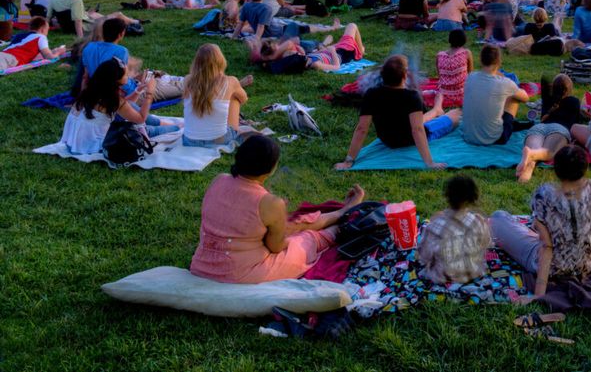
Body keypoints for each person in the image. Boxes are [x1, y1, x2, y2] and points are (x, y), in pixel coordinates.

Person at [192, 135, 366, 283]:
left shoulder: (218, 180)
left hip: (202, 265)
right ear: (271, 169)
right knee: (307, 239)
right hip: (239, 274)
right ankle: (338, 228)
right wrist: (291, 235)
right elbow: (276, 247)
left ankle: (343, 213)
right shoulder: (269, 203)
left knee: (298, 227)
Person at [491, 145, 591, 297]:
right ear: (585, 167)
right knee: (537, 229)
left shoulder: (544, 196)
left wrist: (539, 295)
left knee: (498, 217)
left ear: (556, 170)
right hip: (587, 263)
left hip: (552, 267)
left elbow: (547, 248)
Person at [336, 54, 459, 170]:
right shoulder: (411, 96)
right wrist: (429, 162)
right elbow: (417, 130)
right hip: (409, 140)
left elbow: (362, 129)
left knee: (423, 119)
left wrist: (349, 160)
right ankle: (437, 110)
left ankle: (437, 111)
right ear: (405, 76)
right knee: (456, 114)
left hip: (388, 140)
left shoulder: (372, 94)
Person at [60, 58, 181, 155]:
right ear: (115, 80)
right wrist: (150, 93)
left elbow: (126, 105)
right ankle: (177, 127)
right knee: (146, 130)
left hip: (75, 141)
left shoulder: (93, 90)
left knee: (134, 110)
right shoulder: (114, 100)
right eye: (126, 75)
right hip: (90, 145)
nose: (128, 77)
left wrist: (138, 90)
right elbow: (140, 118)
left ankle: (165, 123)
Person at [417, 175, 491, 284]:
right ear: (473, 198)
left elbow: (424, 255)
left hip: (443, 275)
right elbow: (487, 244)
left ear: (447, 196)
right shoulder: (479, 222)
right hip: (474, 272)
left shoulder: (435, 225)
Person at [515, 74, 583, 183]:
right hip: (560, 129)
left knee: (535, 149)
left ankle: (527, 170)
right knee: (549, 152)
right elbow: (576, 124)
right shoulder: (574, 101)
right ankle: (531, 155)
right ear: (569, 89)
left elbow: (545, 79)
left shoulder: (548, 100)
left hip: (539, 127)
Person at [182, 44, 250, 148]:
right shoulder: (230, 81)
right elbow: (244, 99)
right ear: (221, 60)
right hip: (219, 140)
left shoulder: (187, 80)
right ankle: (234, 128)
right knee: (235, 98)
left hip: (189, 141)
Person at [461, 45, 529, 146]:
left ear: (481, 60)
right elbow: (525, 98)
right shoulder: (505, 83)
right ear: (498, 61)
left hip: (468, 136)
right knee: (513, 98)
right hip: (494, 139)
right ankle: (507, 125)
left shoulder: (470, 77)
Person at [0, 16, 66, 70]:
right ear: (43, 29)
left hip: (4, 55)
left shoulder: (20, 36)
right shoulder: (41, 36)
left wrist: (52, 51)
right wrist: (58, 52)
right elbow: (50, 57)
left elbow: (34, 55)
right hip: (9, 59)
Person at [432, 29, 473, 109]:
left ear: (450, 40)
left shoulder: (439, 55)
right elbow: (470, 74)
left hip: (444, 93)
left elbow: (440, 76)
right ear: (464, 39)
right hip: (462, 93)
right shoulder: (466, 53)